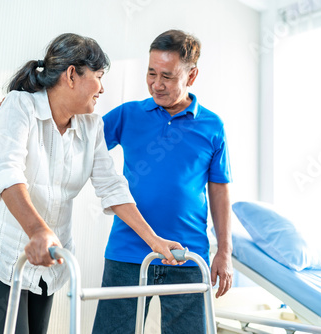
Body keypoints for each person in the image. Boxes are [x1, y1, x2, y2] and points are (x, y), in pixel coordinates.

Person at [0, 33, 183, 334]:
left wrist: (155, 242)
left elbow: (112, 187)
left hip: (48, 258)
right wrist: (38, 231)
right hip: (2, 251)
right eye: (99, 76)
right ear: (72, 75)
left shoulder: (92, 126)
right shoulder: (20, 107)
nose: (102, 88)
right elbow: (6, 173)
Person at [92, 29, 233, 334]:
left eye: (167, 76)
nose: (156, 84)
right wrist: (28, 108)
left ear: (191, 76)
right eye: (151, 73)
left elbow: (219, 190)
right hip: (128, 251)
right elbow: (79, 139)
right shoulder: (129, 115)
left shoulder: (212, 126)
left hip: (188, 256)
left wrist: (224, 251)